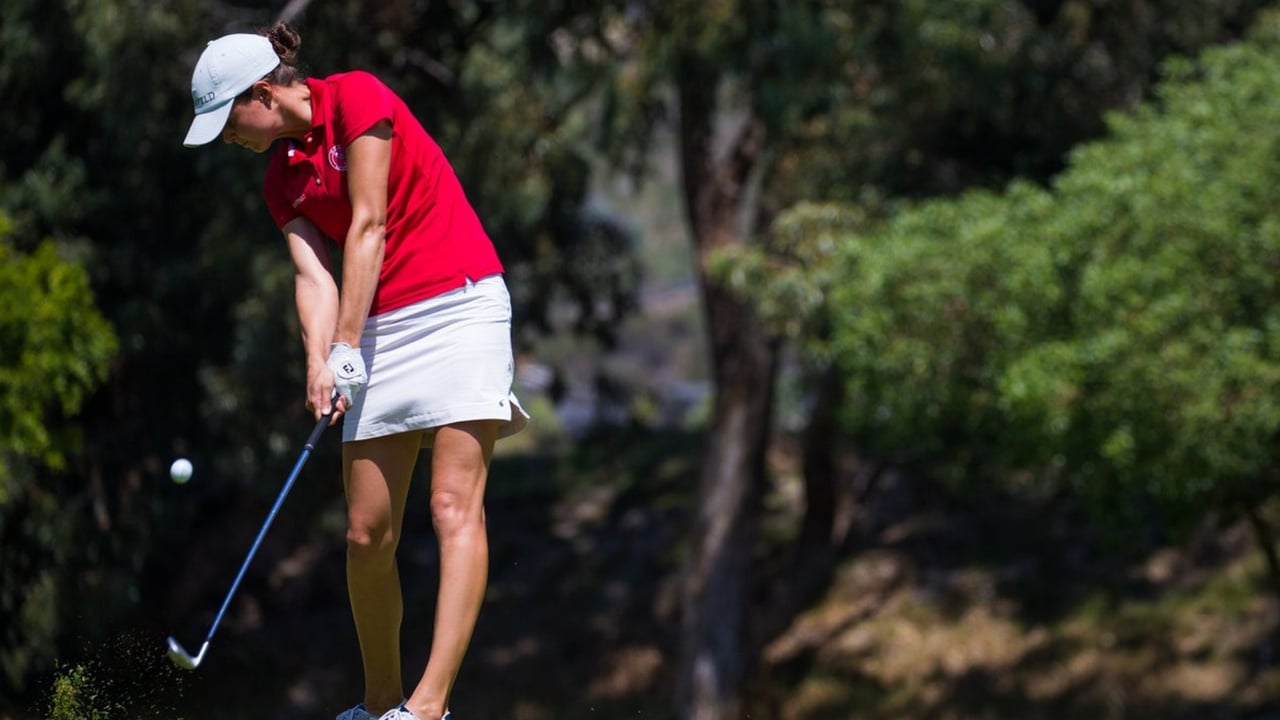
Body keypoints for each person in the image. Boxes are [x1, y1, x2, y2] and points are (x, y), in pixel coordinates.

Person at [183, 22, 528, 720]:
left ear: (262, 94)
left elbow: (368, 224)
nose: (228, 138)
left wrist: (345, 345)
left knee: (451, 506)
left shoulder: (357, 98)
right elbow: (313, 276)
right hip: (374, 328)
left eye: (229, 121)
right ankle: (379, 705)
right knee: (366, 533)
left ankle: (428, 709)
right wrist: (320, 358)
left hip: (458, 305)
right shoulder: (281, 177)